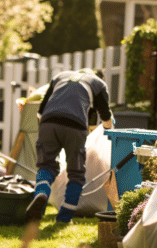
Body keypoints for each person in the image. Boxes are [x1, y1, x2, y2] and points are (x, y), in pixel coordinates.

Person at [25, 68, 115, 223]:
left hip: (48, 122)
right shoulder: (98, 83)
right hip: (75, 126)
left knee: (46, 166)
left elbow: (40, 112)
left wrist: (46, 133)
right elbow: (105, 117)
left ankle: (42, 192)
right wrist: (107, 131)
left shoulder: (60, 76)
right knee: (76, 173)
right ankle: (64, 218)